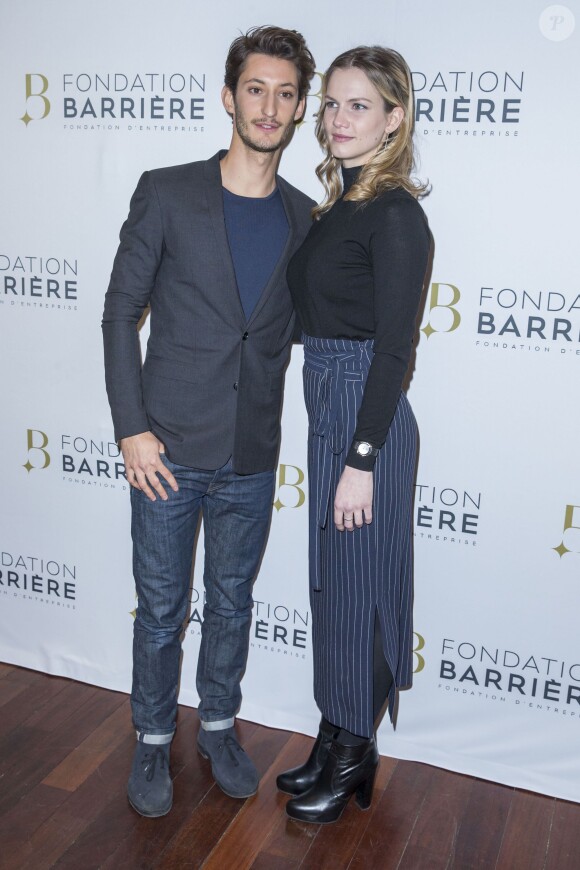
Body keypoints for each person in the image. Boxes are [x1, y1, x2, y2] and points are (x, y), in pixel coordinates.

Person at [102, 25, 315, 818]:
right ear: (230, 97)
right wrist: (131, 428)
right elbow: (121, 311)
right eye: (255, 88)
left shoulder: (306, 216)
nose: (269, 105)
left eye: (286, 93)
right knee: (161, 609)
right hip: (166, 448)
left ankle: (219, 725)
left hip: (253, 455)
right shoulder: (167, 190)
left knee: (232, 603)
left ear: (298, 110)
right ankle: (152, 739)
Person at [276, 45, 431, 824]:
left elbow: (396, 349)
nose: (338, 119)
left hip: (366, 416)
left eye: (359, 105)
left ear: (394, 118)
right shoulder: (335, 205)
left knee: (361, 590)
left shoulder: (397, 214)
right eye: (331, 104)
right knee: (333, 587)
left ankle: (354, 753)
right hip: (328, 404)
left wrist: (362, 458)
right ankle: (336, 735)